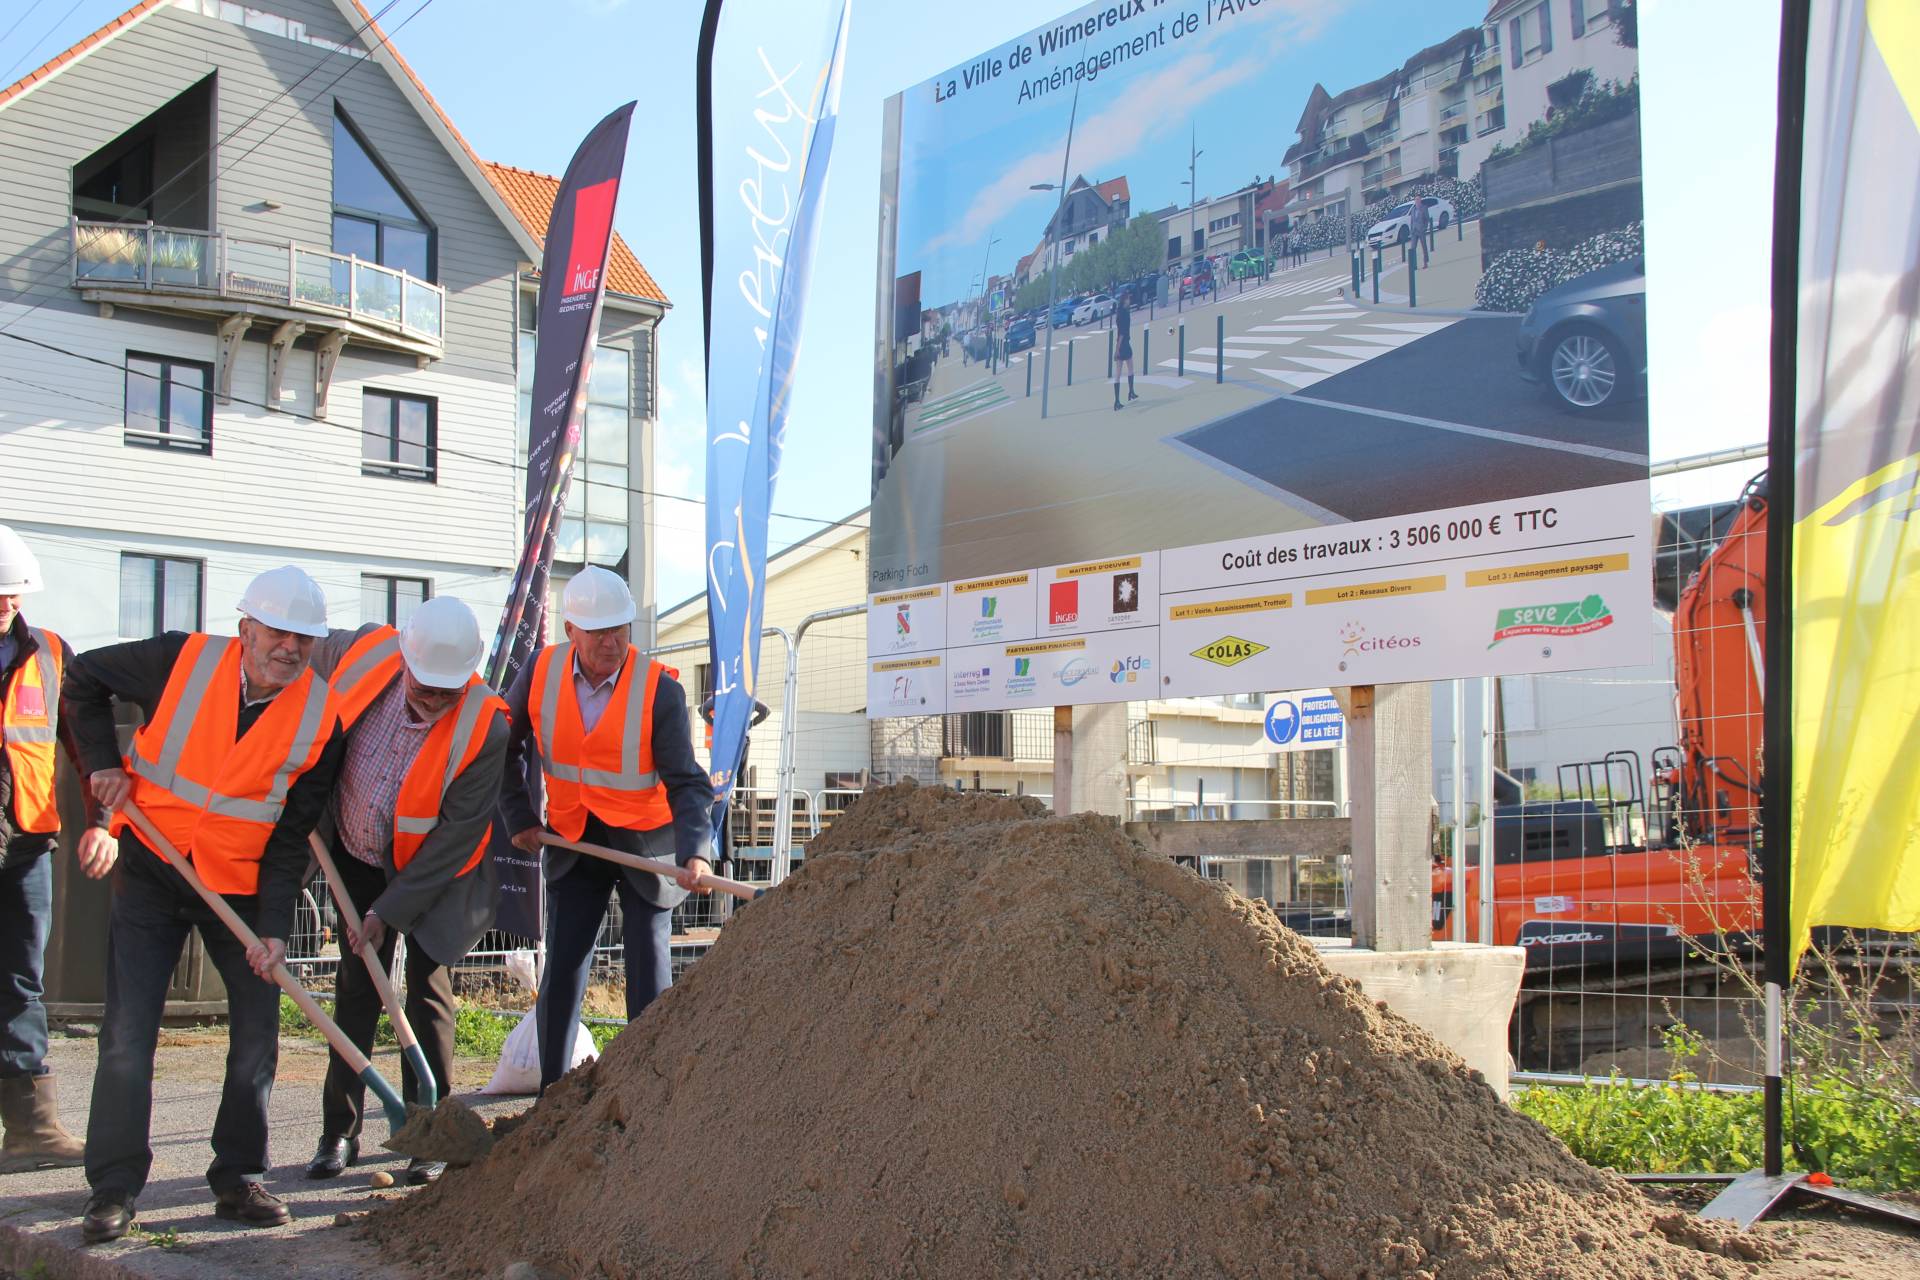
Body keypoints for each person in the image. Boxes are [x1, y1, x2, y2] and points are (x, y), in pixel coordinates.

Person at [62, 566, 345, 1243]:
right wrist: (101, 761)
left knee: (255, 1038)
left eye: (304, 640)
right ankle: (114, 1186)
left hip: (240, 888)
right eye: (277, 632)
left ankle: (240, 1175)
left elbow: (289, 839)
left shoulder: (321, 717)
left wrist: (273, 930)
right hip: (155, 869)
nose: (290, 649)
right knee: (128, 1038)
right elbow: (83, 680)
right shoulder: (178, 660)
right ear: (245, 627)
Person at [301, 598, 506, 1187]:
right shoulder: (364, 652)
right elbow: (297, 653)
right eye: (424, 686)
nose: (433, 700)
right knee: (356, 990)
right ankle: (338, 1132)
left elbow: (455, 836)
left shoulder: (486, 724)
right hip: (355, 853)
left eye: (447, 691)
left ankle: (430, 1132)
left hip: (436, 873)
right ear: (405, 658)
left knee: (427, 991)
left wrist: (387, 912)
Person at [502, 567, 713, 1092]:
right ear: (570, 629)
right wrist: (520, 816)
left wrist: (696, 852)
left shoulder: (659, 690)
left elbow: (688, 782)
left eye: (620, 629)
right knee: (565, 966)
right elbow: (502, 748)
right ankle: (552, 1097)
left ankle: (649, 1094)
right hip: (574, 836)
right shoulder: (540, 671)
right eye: (598, 632)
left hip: (646, 840)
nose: (611, 642)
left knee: (649, 966)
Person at [0, 527, 88, 1174]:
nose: (5, 605)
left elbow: (89, 747)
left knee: (20, 980)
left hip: (27, 841)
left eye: (11, 595)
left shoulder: (53, 654)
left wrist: (105, 822)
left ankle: (31, 1128)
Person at [1111, 288, 1136, 411]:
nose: (1130, 300)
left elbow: (1119, 332)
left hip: (1121, 343)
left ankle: (1117, 401)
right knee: (1130, 368)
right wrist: (1117, 349)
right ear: (1125, 300)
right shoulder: (1125, 314)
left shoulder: (1119, 312)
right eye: (1129, 298)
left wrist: (1117, 348)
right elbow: (1122, 332)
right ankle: (1130, 392)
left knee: (1118, 373)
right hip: (1124, 343)